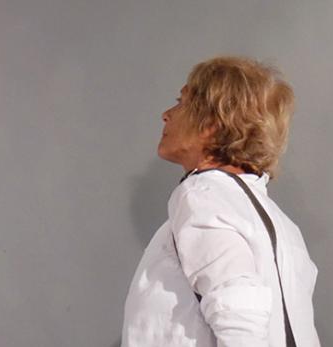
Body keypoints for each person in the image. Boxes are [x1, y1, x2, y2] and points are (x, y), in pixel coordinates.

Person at [122, 56, 320, 347]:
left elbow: (237, 308)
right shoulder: (280, 223)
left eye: (181, 102)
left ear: (213, 123)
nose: (166, 114)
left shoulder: (204, 194)